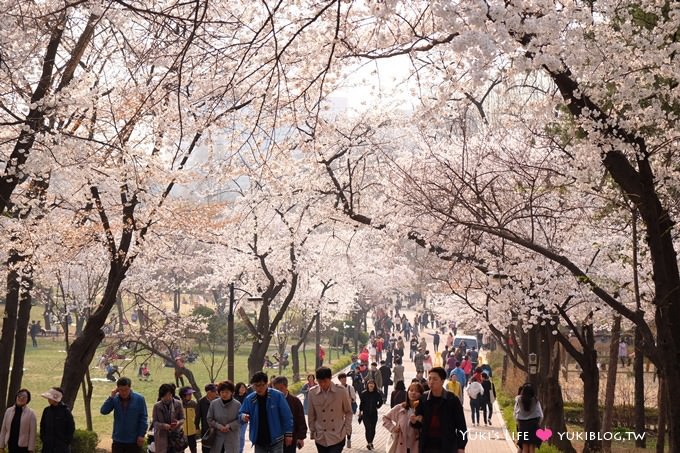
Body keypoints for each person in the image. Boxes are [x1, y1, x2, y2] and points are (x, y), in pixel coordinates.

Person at [412, 367, 467, 453]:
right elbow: (418, 423)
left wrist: (461, 446)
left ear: (442, 381)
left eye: (435, 379)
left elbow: (461, 425)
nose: (431, 382)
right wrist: (414, 422)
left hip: (447, 446)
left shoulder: (452, 399)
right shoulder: (424, 398)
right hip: (427, 446)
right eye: (429, 378)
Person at [239, 371, 294, 453]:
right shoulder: (250, 399)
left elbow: (286, 416)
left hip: (276, 439)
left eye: (262, 385)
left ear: (266, 384)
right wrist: (243, 416)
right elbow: (240, 414)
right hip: (259, 440)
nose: (259, 388)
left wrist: (288, 434)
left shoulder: (277, 396)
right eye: (256, 386)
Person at [307, 367, 353, 453]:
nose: (323, 384)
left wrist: (347, 429)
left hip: (337, 435)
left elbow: (348, 412)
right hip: (321, 436)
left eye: (325, 381)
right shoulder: (312, 393)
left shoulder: (341, 391)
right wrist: (312, 431)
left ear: (330, 378)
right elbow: (311, 414)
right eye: (320, 382)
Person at [100, 377, 148, 453]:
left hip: (133, 440)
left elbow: (143, 418)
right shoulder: (114, 399)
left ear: (130, 388)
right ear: (117, 389)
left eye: (126, 390)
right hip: (118, 439)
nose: (124, 393)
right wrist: (111, 397)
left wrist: (141, 435)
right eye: (121, 390)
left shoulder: (139, 399)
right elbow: (103, 411)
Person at [382, 382, 424, 453]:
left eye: (417, 391)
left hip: (416, 446)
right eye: (411, 390)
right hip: (400, 445)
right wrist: (393, 428)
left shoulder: (423, 410)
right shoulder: (400, 408)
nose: (413, 393)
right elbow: (385, 418)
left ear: (421, 394)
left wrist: (419, 420)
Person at [272, 377, 307, 453]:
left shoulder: (295, 401)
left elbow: (300, 420)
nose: (278, 391)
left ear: (286, 387)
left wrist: (301, 437)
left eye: (281, 388)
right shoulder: (270, 401)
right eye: (276, 389)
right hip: (274, 439)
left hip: (290, 438)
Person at [208, 381, 241, 453]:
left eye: (227, 392)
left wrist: (230, 426)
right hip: (217, 438)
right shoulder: (214, 404)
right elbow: (209, 419)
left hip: (232, 438)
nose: (224, 394)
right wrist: (219, 426)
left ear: (232, 392)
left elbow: (240, 420)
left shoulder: (237, 404)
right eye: (222, 392)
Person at [0, 389, 37, 453]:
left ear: (27, 399)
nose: (21, 398)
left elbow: (32, 434)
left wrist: (31, 449)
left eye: (24, 397)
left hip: (24, 448)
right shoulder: (8, 411)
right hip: (10, 445)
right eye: (19, 396)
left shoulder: (31, 413)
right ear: (16, 397)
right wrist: (1, 445)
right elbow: (4, 429)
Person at [39, 387, 75, 453]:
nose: (48, 399)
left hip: (61, 448)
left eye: (50, 397)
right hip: (47, 447)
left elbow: (71, 428)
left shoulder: (65, 411)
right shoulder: (46, 410)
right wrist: (44, 439)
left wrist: (65, 442)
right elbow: (42, 426)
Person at [152, 383, 185, 453]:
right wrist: (163, 426)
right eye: (165, 395)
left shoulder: (178, 404)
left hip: (176, 437)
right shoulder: (157, 406)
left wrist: (178, 423)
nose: (168, 397)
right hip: (162, 437)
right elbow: (154, 423)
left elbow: (183, 418)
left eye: (170, 394)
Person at [514, 384, 543, 453]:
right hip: (533, 425)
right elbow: (540, 414)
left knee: (524, 447)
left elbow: (516, 412)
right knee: (532, 448)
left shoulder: (519, 399)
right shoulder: (536, 401)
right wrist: (539, 422)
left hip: (523, 425)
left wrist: (517, 421)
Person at [358, 379, 383, 450]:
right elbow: (361, 404)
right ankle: (369, 443)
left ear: (374, 385)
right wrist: (360, 412)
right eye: (370, 383)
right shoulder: (363, 393)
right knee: (368, 428)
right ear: (367, 385)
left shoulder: (377, 393)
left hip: (374, 414)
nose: (371, 385)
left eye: (372, 384)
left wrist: (377, 406)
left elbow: (381, 401)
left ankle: (371, 442)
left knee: (373, 429)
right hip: (365, 414)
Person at [196, 383, 218, 453]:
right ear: (209, 392)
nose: (216, 393)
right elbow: (198, 416)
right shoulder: (201, 402)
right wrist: (197, 427)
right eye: (214, 391)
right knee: (206, 448)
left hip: (218, 428)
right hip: (206, 430)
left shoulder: (218, 400)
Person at [337, 373, 356, 448]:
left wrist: (350, 400)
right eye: (342, 378)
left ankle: (348, 439)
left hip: (348, 410)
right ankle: (341, 440)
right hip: (339, 410)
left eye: (345, 378)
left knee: (348, 425)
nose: (344, 380)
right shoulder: (337, 388)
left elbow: (354, 398)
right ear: (339, 380)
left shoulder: (350, 387)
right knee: (340, 425)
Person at [179, 387, 198, 453]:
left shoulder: (194, 404)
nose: (191, 396)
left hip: (192, 431)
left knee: (193, 448)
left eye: (191, 394)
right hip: (181, 432)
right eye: (189, 394)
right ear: (183, 396)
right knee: (181, 448)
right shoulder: (178, 404)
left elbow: (197, 416)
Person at [234, 382, 250, 453]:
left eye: (244, 387)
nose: (243, 389)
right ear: (238, 388)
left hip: (244, 419)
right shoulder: (233, 397)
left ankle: (240, 451)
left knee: (241, 436)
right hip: (234, 419)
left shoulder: (248, 397)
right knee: (235, 436)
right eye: (241, 387)